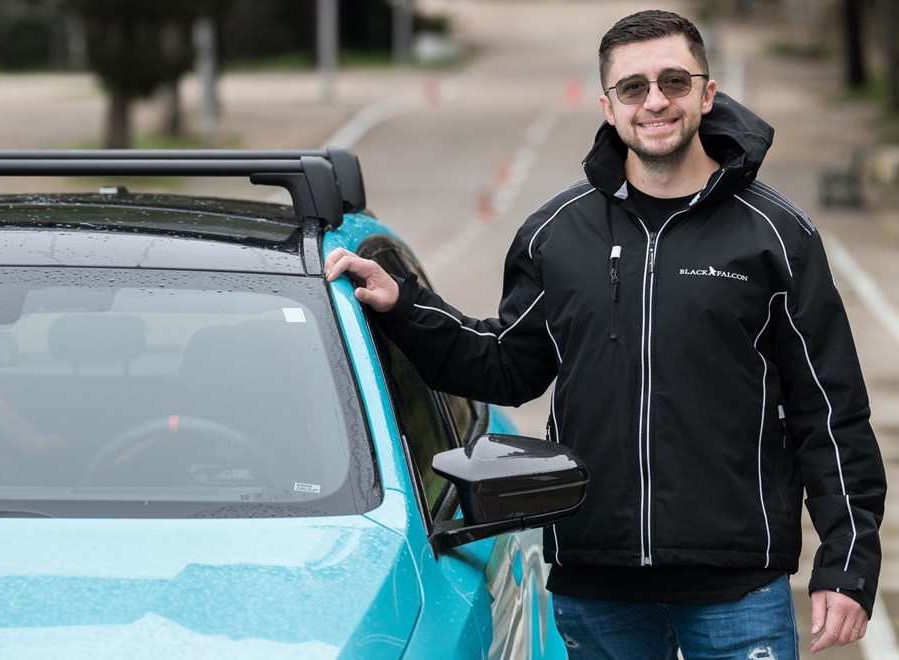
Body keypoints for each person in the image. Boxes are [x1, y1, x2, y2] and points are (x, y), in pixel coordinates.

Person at [324, 9, 886, 658]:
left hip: (737, 588)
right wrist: (405, 306)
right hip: (598, 587)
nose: (655, 101)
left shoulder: (777, 237)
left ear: (707, 93)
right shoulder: (557, 233)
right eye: (633, 87)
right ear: (609, 107)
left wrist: (848, 563)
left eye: (674, 81)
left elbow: (831, 412)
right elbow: (507, 365)